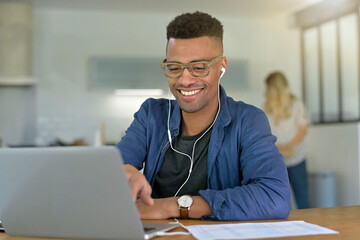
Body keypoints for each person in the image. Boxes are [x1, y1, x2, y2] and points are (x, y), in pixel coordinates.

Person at [116, 11, 290, 221]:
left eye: (199, 67)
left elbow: (274, 197)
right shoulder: (151, 114)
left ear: (222, 67)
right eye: (174, 67)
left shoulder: (248, 121)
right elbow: (115, 165)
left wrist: (172, 206)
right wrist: (124, 171)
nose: (185, 80)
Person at [264, 71, 310, 209]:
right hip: (277, 161)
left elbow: (303, 130)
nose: (265, 91)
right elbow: (264, 131)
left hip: (296, 159)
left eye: (267, 88)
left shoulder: (296, 104)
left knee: (302, 199)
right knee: (281, 201)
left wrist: (287, 146)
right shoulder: (266, 106)